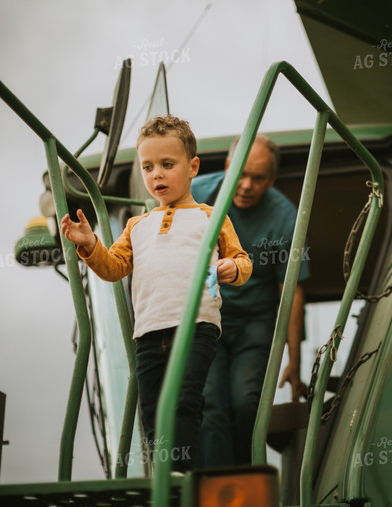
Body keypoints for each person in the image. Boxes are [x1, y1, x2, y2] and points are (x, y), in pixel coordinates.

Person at [60, 115, 252, 472]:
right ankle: (163, 472)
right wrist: (89, 244)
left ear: (193, 166)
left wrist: (232, 268)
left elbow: (242, 261)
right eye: (148, 167)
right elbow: (114, 267)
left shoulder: (212, 216)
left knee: (183, 400)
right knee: (150, 408)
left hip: (197, 324)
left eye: (167, 164)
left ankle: (182, 472)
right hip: (148, 330)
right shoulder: (137, 225)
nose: (156, 175)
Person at [192, 134, 310, 466]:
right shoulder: (198, 195)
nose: (245, 185)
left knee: (245, 402)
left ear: (271, 180)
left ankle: (245, 479)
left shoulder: (286, 218)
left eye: (257, 178)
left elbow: (292, 290)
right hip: (206, 317)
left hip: (254, 325)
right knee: (210, 402)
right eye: (240, 174)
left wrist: (294, 362)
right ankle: (216, 489)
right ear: (228, 167)